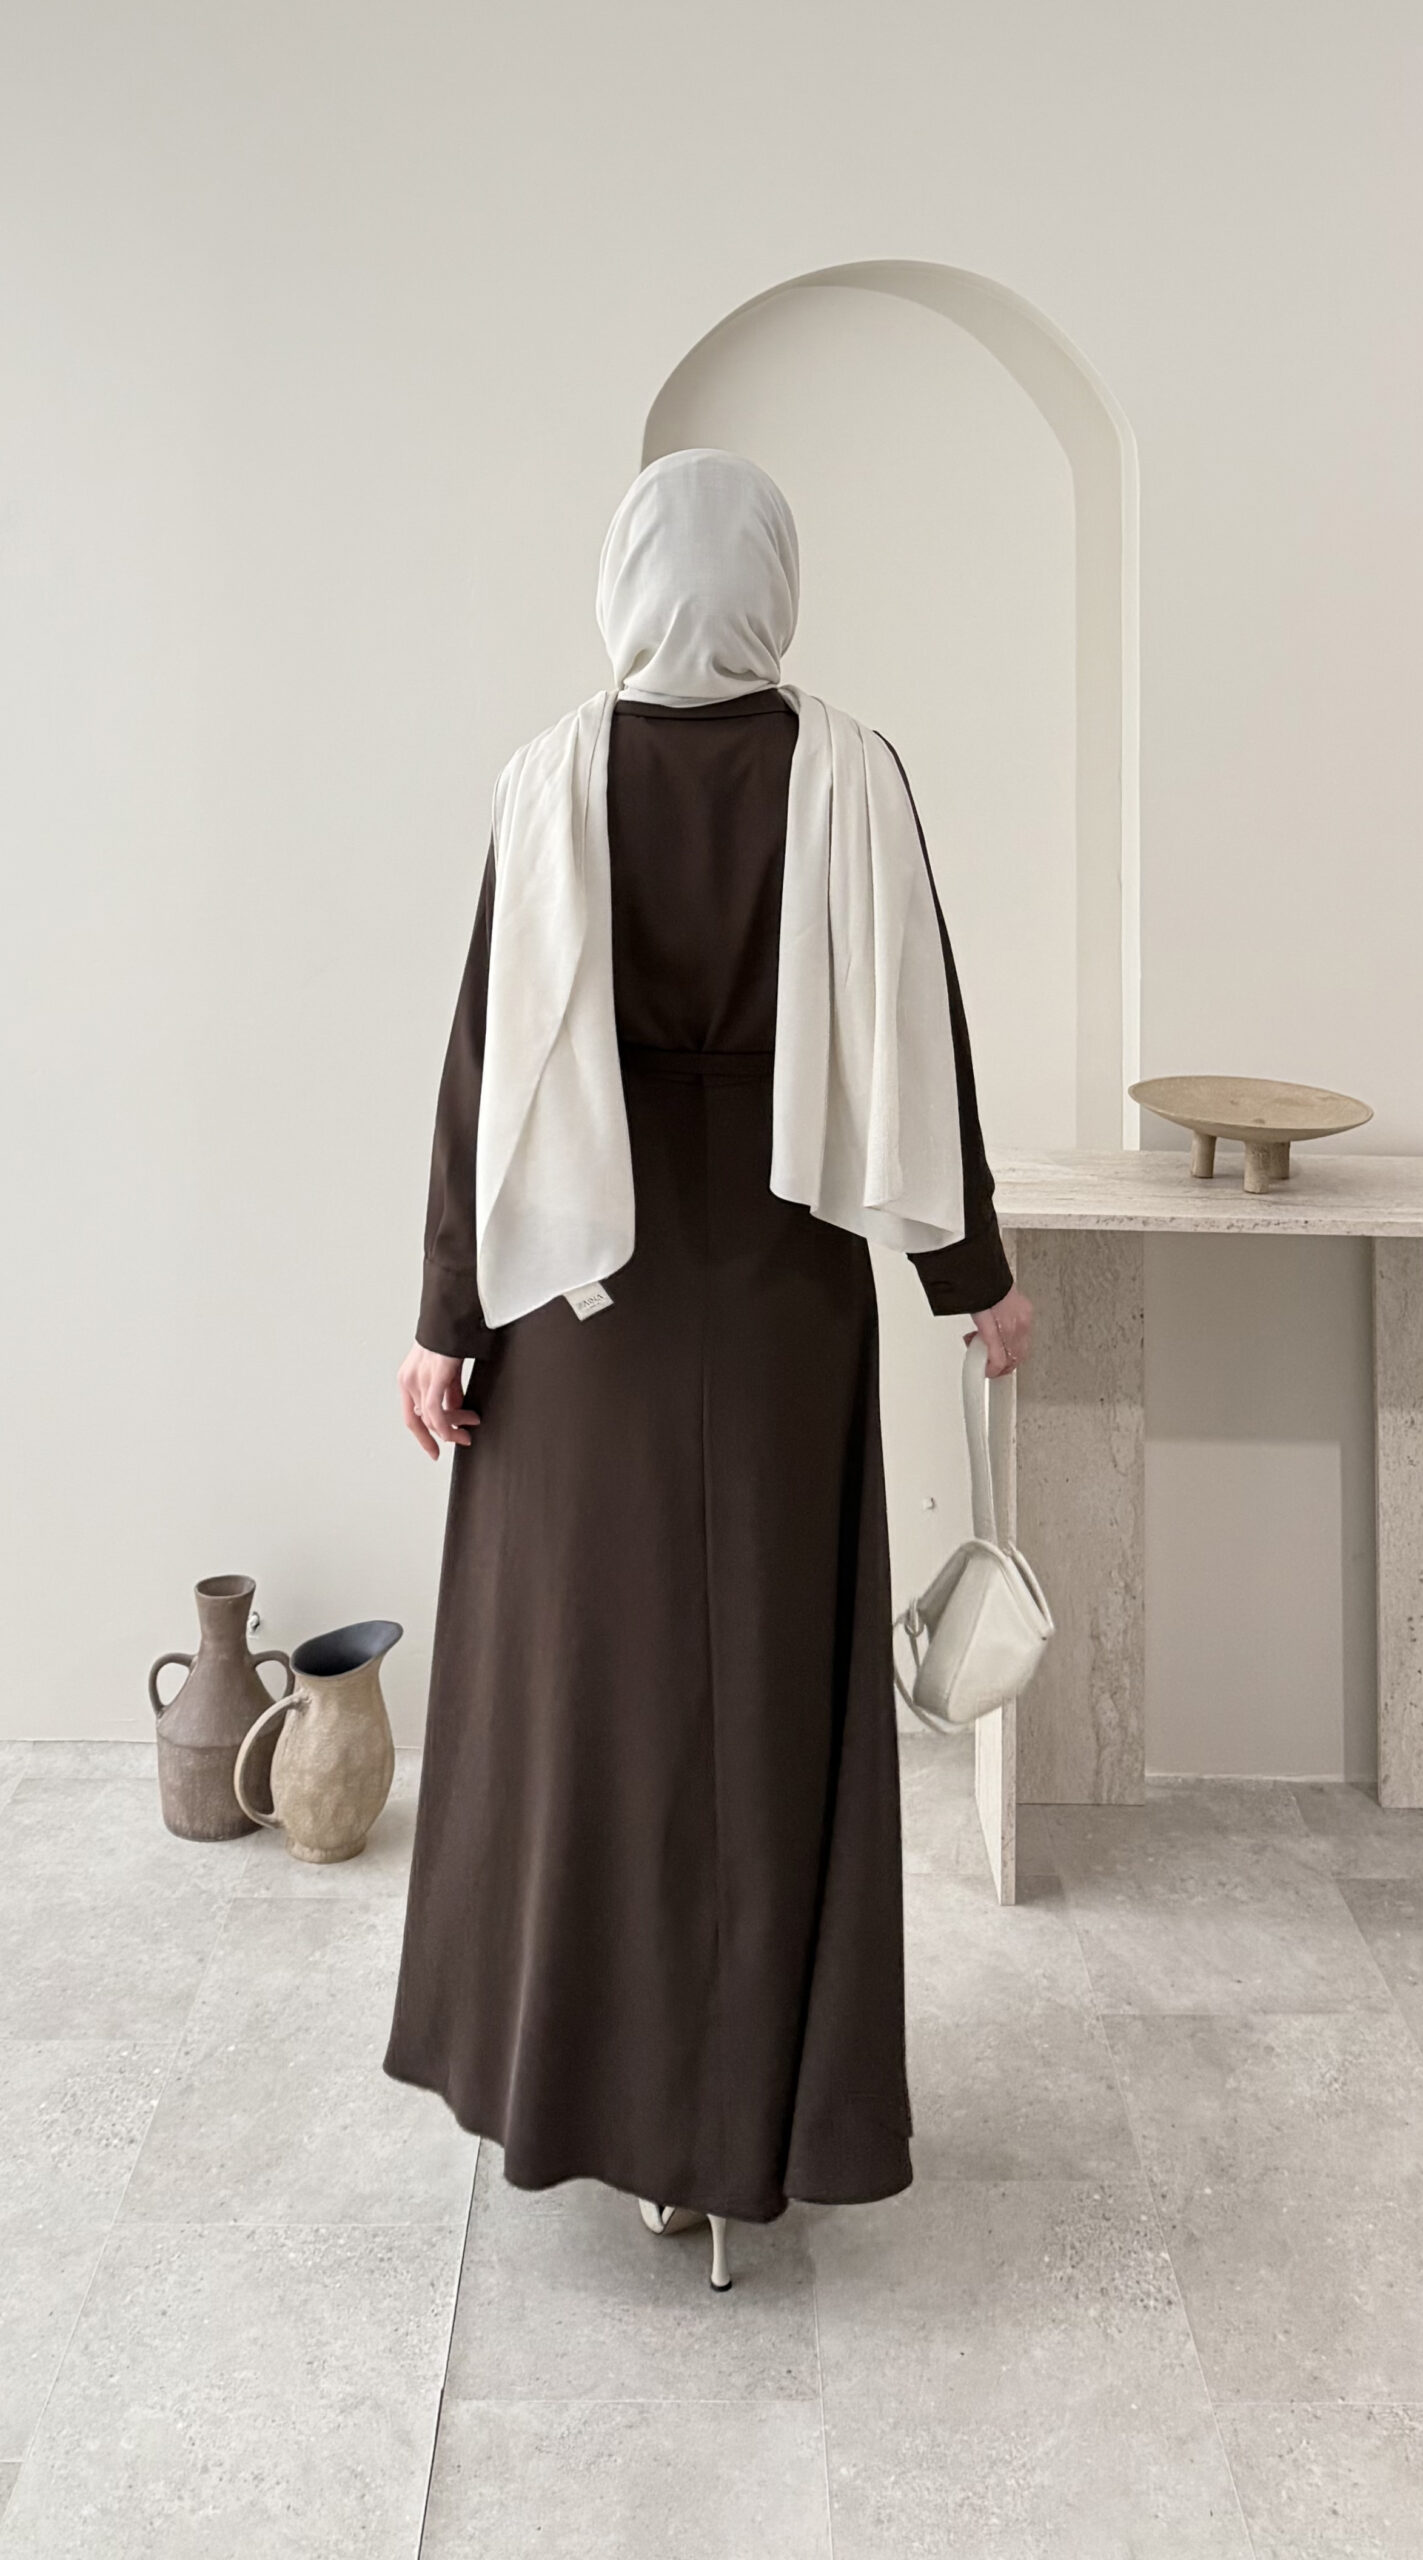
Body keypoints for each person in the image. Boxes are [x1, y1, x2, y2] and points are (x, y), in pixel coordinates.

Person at [383, 448, 1033, 2292]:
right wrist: (973, 1278)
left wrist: (445, 1319)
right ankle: (756, 2123)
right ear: (772, 582)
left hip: (579, 1302)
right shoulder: (852, 768)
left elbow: (484, 1072)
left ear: (626, 579)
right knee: (767, 1693)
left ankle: (597, 2099)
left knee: (585, 1701)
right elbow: (924, 1033)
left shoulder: (548, 775)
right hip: (776, 1294)